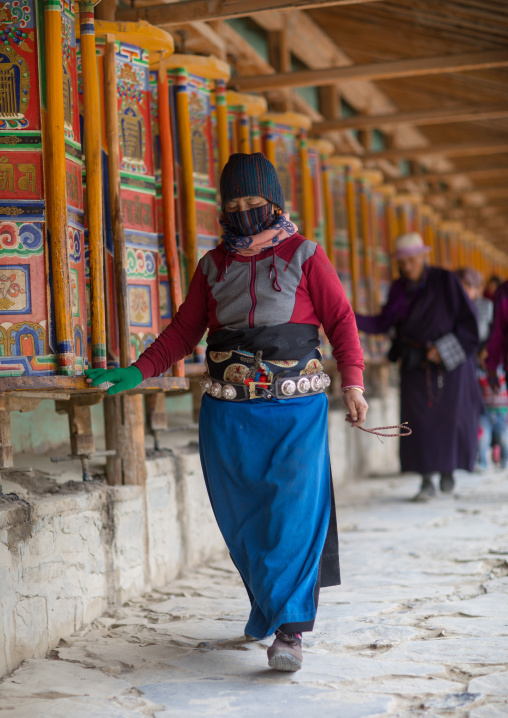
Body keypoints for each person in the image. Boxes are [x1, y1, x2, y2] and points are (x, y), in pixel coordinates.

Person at [85, 153, 368, 673]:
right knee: (247, 520)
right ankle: (270, 603)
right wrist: (136, 371)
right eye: (232, 204)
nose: (243, 213)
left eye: (253, 203)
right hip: (229, 415)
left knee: (292, 515)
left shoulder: (306, 255)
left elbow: (341, 319)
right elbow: (182, 333)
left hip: (295, 412)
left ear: (274, 202)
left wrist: (353, 382)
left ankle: (290, 632)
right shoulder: (212, 266)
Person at [356, 232, 481, 501]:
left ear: (423, 256)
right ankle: (426, 481)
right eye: (403, 261)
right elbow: (382, 323)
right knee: (419, 423)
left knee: (450, 419)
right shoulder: (400, 289)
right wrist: (347, 317)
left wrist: (443, 350)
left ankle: (448, 469)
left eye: (412, 259)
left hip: (449, 367)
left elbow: (469, 322)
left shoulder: (445, 281)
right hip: (415, 363)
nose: (408, 266)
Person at [476, 365, 508, 471]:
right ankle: (482, 462)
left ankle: (505, 460)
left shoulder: (503, 369)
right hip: (486, 411)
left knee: (504, 437)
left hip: (502, 411)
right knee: (484, 437)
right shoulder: (480, 372)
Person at [455, 268, 493, 346]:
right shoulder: (454, 305)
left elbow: (489, 331)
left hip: (479, 347)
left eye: (468, 285)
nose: (464, 290)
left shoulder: (486, 305)